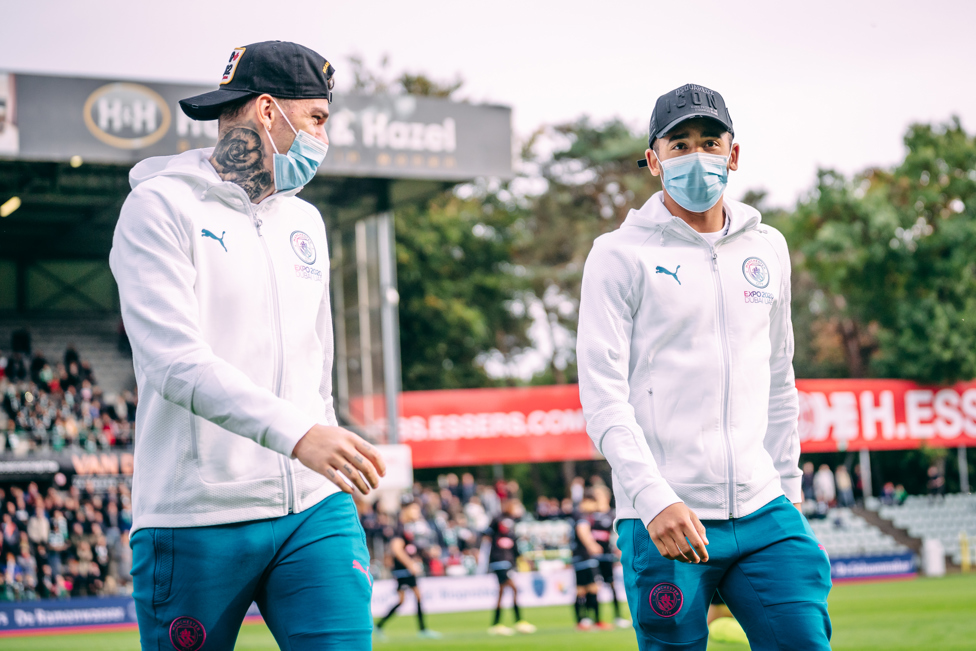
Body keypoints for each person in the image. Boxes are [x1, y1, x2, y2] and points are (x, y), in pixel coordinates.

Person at [109, 41, 386, 650]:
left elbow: (319, 365)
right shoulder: (157, 207)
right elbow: (171, 361)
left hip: (314, 510)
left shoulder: (303, 221)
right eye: (316, 118)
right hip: (196, 518)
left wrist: (324, 437)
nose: (323, 137)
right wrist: (297, 433)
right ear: (267, 111)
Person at [577, 83, 831, 650]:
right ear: (653, 160)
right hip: (666, 514)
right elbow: (602, 396)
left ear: (733, 155)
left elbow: (779, 381)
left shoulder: (767, 247)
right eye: (680, 144)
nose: (697, 156)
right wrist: (652, 498)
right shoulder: (618, 255)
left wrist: (788, 489)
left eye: (709, 142)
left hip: (767, 511)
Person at [374, 499, 442, 640]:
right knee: (415, 596)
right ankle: (422, 630)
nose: (417, 512)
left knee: (402, 600)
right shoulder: (400, 527)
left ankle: (379, 626)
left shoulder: (408, 527)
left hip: (405, 569)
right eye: (414, 509)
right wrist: (411, 564)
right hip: (403, 570)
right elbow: (396, 549)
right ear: (406, 510)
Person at [485, 498, 536, 636]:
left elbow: (514, 545)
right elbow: (486, 535)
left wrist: (522, 559)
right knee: (513, 588)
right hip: (499, 560)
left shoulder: (513, 524)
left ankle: (497, 624)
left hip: (507, 561)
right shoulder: (498, 519)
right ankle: (518, 621)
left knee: (502, 592)